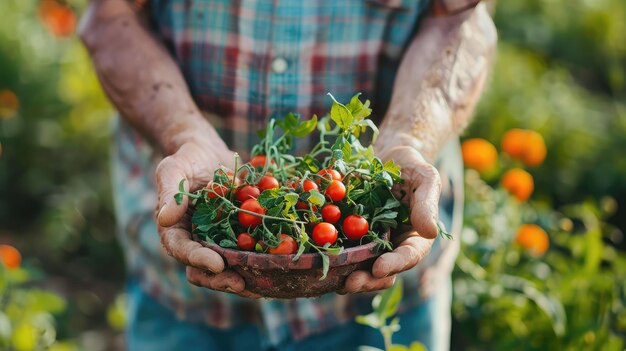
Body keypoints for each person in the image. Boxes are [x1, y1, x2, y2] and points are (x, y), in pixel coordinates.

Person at [80, 0, 496, 349]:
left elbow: (459, 17)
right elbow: (111, 16)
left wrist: (410, 137)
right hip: (181, 303)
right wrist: (183, 133)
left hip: (382, 308)